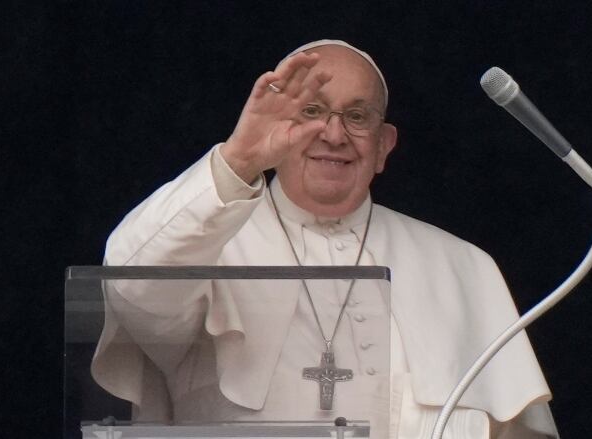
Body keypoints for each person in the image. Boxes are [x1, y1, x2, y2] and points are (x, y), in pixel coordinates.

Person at [91, 40, 559, 439]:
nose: (334, 135)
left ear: (383, 146)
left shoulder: (463, 267)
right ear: (274, 129)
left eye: (357, 116)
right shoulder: (206, 245)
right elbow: (134, 284)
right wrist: (239, 158)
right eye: (311, 113)